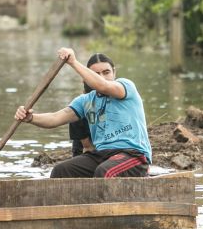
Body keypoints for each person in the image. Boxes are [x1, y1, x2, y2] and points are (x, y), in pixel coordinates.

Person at [15, 48, 151, 178]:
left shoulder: (125, 86)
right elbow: (55, 118)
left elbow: (103, 85)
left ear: (114, 72)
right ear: (87, 77)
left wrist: (73, 62)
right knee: (61, 171)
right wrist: (31, 118)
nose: (102, 77)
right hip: (101, 154)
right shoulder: (85, 100)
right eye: (96, 74)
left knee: (104, 172)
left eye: (106, 72)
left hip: (133, 155)